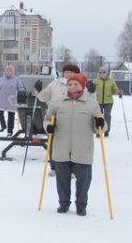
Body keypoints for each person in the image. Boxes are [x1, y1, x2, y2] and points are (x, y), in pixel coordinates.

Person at [44, 73, 104, 216]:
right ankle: (63, 203)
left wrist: (100, 123)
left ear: (82, 86)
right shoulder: (58, 102)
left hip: (82, 149)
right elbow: (47, 119)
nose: (72, 87)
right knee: (62, 180)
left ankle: (81, 205)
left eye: (75, 84)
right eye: (70, 84)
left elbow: (99, 127)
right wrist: (48, 127)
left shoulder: (91, 103)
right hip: (62, 148)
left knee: (84, 181)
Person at [35, 63, 80, 177]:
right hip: (55, 116)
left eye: (71, 72)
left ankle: (72, 168)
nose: (68, 74)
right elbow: (44, 97)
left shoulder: (79, 84)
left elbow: (89, 99)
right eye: (66, 72)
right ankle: (54, 167)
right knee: (54, 143)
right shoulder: (55, 83)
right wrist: (39, 90)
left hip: (73, 117)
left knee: (72, 145)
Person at [91, 67, 123, 137]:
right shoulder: (96, 81)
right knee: (98, 116)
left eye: (104, 72)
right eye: (100, 72)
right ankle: (98, 131)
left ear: (107, 73)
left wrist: (119, 92)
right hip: (98, 101)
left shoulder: (111, 80)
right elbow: (91, 89)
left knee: (107, 116)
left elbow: (115, 89)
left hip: (108, 101)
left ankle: (106, 130)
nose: (102, 74)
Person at [0, 65, 25, 137]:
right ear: (5, 71)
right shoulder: (1, 79)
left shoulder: (16, 79)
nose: (9, 72)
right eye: (7, 70)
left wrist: (20, 92)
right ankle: (3, 125)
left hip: (12, 100)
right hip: (2, 99)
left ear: (13, 71)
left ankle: (10, 131)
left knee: (11, 116)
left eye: (10, 70)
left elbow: (20, 87)